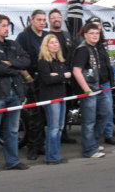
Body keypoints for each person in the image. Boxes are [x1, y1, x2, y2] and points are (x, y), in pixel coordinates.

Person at [0, 14, 30, 174]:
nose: (6, 28)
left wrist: (12, 63)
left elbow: (26, 60)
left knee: (13, 130)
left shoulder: (12, 44)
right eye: (3, 26)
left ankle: (12, 161)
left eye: (7, 25)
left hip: (15, 92)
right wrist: (15, 68)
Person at [72, 23, 112, 158]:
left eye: (97, 33)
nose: (95, 36)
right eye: (92, 33)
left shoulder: (94, 48)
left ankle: (92, 142)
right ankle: (89, 150)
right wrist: (86, 89)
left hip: (98, 88)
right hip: (89, 91)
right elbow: (76, 71)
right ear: (85, 35)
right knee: (89, 121)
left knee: (106, 113)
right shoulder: (83, 50)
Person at [16, 9, 48, 161]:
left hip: (46, 81)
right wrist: (27, 76)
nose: (42, 22)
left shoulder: (47, 36)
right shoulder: (24, 37)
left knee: (43, 116)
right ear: (32, 20)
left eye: (43, 20)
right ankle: (32, 148)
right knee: (34, 117)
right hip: (31, 81)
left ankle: (41, 145)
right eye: (39, 20)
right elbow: (16, 58)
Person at [83, 16, 115, 146]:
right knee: (94, 115)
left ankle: (107, 135)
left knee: (108, 110)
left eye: (99, 26)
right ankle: (92, 142)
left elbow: (106, 62)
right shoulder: (86, 45)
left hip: (106, 81)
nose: (97, 29)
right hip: (94, 84)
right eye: (94, 26)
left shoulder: (103, 43)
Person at [38, 34, 72, 165]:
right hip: (51, 98)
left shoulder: (59, 61)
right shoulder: (43, 61)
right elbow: (47, 79)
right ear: (46, 46)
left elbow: (67, 75)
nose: (55, 45)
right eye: (51, 43)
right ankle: (51, 157)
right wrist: (62, 76)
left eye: (56, 42)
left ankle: (55, 154)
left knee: (60, 127)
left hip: (61, 96)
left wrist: (58, 76)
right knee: (53, 127)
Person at [48, 8, 77, 144]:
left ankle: (64, 133)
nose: (56, 19)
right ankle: (53, 138)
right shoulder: (48, 37)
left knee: (66, 107)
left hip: (68, 77)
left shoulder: (66, 35)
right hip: (55, 78)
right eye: (53, 17)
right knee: (53, 112)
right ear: (50, 21)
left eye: (58, 17)